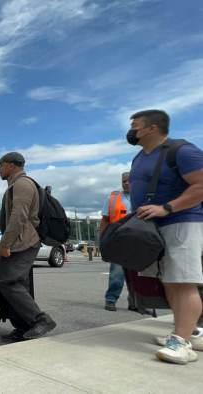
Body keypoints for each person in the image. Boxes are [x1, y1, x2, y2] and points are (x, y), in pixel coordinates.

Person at [128, 109, 203, 364]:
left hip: (180, 221)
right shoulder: (139, 158)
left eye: (135, 125)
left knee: (183, 281)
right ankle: (188, 332)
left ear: (152, 128)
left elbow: (201, 185)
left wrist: (167, 207)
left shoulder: (182, 151)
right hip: (154, 227)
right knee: (170, 282)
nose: (131, 130)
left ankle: (181, 344)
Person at [0, 152, 56, 341]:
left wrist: (6, 243)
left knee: (7, 281)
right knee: (17, 283)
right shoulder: (16, 184)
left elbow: (19, 216)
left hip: (23, 242)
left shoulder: (22, 184)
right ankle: (23, 326)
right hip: (21, 241)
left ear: (12, 165)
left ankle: (40, 320)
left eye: (1, 164)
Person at [101, 172, 136, 312]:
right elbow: (105, 220)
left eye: (129, 180)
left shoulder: (143, 196)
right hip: (118, 240)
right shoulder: (112, 198)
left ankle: (134, 301)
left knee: (136, 274)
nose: (126, 183)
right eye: (124, 181)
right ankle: (110, 299)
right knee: (117, 272)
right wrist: (103, 238)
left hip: (138, 240)